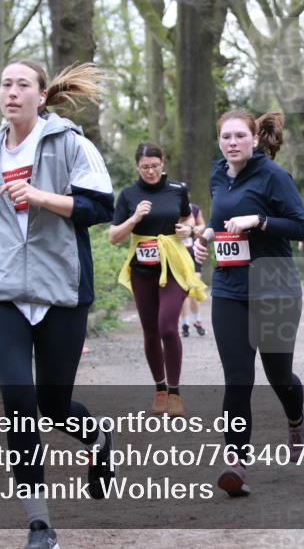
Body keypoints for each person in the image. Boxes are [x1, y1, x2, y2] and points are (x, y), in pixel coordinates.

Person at [0, 60, 116, 549]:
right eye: (5, 83)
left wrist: (42, 196)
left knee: (53, 405)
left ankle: (98, 439)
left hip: (60, 290)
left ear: (41, 96)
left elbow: (101, 208)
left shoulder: (71, 144)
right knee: (19, 403)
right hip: (1, 293)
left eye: (23, 84)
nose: (13, 92)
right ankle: (40, 523)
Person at [193, 109, 304, 497]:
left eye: (240, 136)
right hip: (229, 290)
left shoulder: (274, 177)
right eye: (226, 137)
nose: (232, 143)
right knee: (238, 380)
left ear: (255, 139)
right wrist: (205, 237)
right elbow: (220, 221)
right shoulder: (217, 175)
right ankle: (237, 464)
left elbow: (298, 226)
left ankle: (295, 416)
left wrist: (258, 221)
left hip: (275, 288)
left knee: (279, 377)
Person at [109, 143, 206, 418]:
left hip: (174, 265)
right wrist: (135, 217)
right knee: (150, 330)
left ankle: (175, 393)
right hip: (142, 269)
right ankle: (160, 389)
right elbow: (114, 236)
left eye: (154, 165)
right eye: (144, 167)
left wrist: (187, 228)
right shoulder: (128, 195)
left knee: (167, 326)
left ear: (163, 163)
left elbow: (190, 220)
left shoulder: (177, 189)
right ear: (137, 167)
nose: (150, 171)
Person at [179, 202, 208, 337]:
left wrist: (196, 229)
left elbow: (202, 225)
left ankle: (197, 320)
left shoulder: (194, 209)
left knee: (194, 288)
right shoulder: (168, 206)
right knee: (183, 292)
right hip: (177, 255)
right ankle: (185, 323)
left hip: (193, 254)